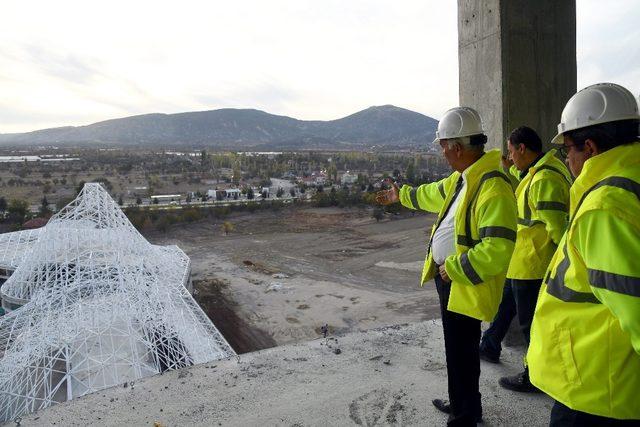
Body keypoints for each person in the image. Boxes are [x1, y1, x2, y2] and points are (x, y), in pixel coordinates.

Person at [377, 107, 517, 426]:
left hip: (463, 280)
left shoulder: (492, 185)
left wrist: (453, 268)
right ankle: (462, 404)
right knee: (459, 349)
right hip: (452, 277)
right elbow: (432, 194)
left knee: (462, 350)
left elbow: (499, 246)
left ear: (456, 146)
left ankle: (465, 415)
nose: (442, 153)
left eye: (443, 146)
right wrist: (403, 195)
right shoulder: (465, 178)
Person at [527, 82, 640, 425]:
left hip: (594, 389)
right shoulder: (630, 180)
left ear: (589, 147)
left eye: (568, 149)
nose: (567, 159)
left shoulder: (605, 207)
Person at [478, 126, 571, 393]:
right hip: (521, 260)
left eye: (511, 151)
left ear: (522, 149)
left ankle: (534, 374)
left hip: (533, 263)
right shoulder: (543, 169)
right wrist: (510, 169)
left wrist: (563, 263)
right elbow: (528, 195)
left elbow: (556, 228)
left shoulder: (544, 179)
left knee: (531, 324)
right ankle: (490, 345)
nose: (509, 157)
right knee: (505, 305)